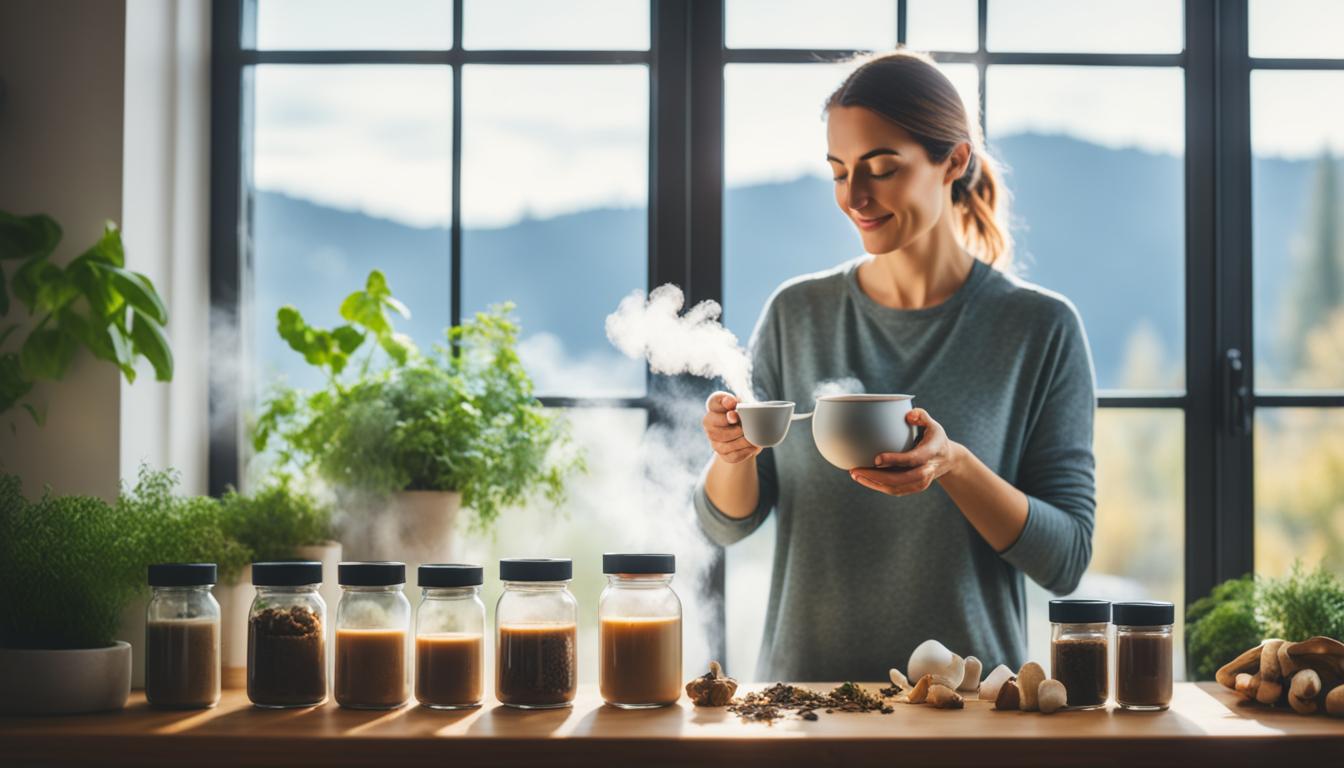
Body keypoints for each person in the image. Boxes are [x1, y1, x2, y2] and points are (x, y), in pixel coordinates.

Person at [695, 51, 1097, 682]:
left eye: (882, 168)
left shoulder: (1039, 329)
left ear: (954, 161)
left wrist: (954, 465)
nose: (855, 196)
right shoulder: (796, 314)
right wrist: (730, 452)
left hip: (970, 713)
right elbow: (724, 525)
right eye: (838, 172)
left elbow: (1066, 558)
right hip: (807, 706)